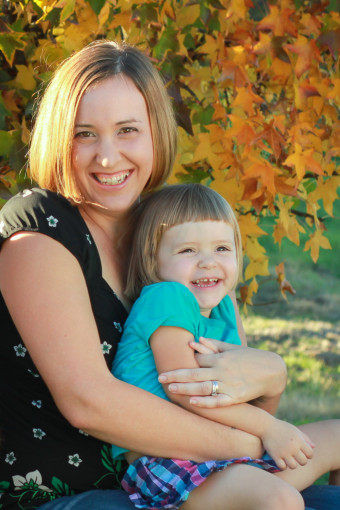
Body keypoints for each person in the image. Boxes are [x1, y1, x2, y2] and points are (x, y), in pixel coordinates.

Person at [0, 39, 337, 510]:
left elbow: (239, 398)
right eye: (84, 134)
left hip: (194, 480)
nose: (108, 157)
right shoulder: (41, 230)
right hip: (79, 497)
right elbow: (88, 402)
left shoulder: (179, 240)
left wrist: (274, 377)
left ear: (156, 131)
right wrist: (254, 446)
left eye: (128, 130)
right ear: (59, 138)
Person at [112, 183, 340, 510]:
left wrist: (269, 423)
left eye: (221, 248)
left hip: (227, 453)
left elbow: (246, 400)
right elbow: (183, 388)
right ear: (153, 258)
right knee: (282, 500)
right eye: (188, 250)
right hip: (172, 463)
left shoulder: (221, 306)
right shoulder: (165, 297)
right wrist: (269, 428)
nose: (208, 262)